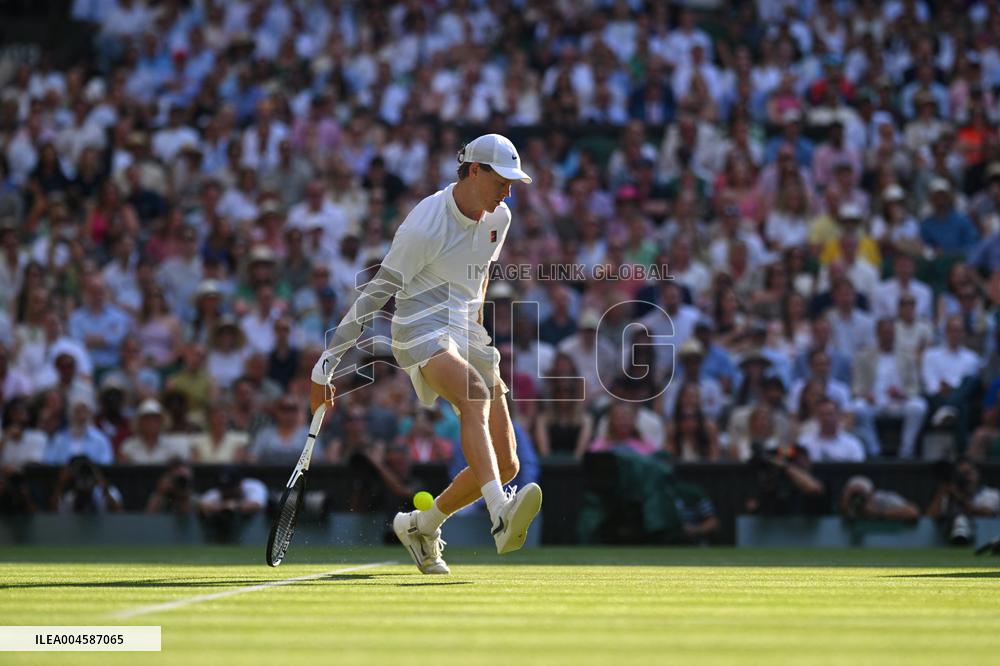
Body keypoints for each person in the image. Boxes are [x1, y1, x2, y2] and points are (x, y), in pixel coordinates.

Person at [309, 134, 542, 575]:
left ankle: (422, 524)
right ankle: (499, 513)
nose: (509, 190)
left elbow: (481, 275)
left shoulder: (501, 216)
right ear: (475, 171)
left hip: (466, 328)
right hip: (418, 324)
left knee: (507, 463)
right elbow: (374, 295)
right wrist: (326, 367)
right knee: (473, 396)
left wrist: (475, 329)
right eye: (502, 179)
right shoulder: (424, 225)